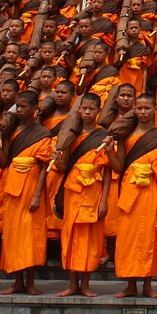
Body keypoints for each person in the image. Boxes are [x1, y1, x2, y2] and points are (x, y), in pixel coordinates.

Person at [113, 94, 157, 298]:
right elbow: (119, 166)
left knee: (149, 241)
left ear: (155, 109)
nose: (143, 112)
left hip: (150, 193)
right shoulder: (126, 136)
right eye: (139, 108)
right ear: (134, 109)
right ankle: (130, 285)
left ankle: (148, 285)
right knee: (128, 240)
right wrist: (109, 151)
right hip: (129, 193)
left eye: (147, 108)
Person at [53, 92, 113, 298]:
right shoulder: (71, 135)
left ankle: (85, 284)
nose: (87, 112)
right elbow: (63, 167)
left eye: (91, 109)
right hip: (73, 192)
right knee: (70, 238)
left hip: (93, 193)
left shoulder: (102, 136)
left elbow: (107, 171)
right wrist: (57, 159)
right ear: (79, 110)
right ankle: (72, 284)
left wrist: (104, 200)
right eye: (84, 109)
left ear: (98, 111)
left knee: (90, 241)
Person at [0, 89, 53, 296]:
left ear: (35, 109)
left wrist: (37, 195)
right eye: (17, 106)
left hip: (31, 188)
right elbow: (4, 162)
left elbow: (45, 167)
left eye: (23, 107)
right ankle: (17, 281)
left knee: (31, 236)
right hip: (12, 189)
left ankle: (30, 281)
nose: (19, 110)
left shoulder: (42, 133)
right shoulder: (11, 131)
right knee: (13, 236)